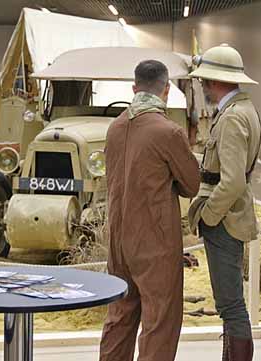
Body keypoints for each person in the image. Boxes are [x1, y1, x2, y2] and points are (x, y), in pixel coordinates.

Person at [98, 60, 200, 361]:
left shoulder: (114, 128)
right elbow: (191, 184)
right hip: (155, 241)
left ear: (134, 88)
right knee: (160, 323)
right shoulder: (168, 132)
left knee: (119, 316)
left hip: (117, 238)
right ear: (166, 90)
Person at [188, 44, 261, 361]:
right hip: (232, 216)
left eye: (204, 80)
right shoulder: (244, 110)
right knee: (231, 305)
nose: (202, 86)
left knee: (230, 306)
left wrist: (208, 216)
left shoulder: (232, 117)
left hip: (225, 220)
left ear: (214, 81)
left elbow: (232, 180)